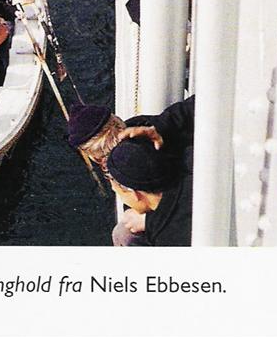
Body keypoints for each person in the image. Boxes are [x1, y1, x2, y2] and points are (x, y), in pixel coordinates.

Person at [66, 95, 195, 246]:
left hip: (175, 209)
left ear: (94, 157)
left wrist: (150, 221)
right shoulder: (143, 129)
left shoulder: (150, 137)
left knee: (124, 235)